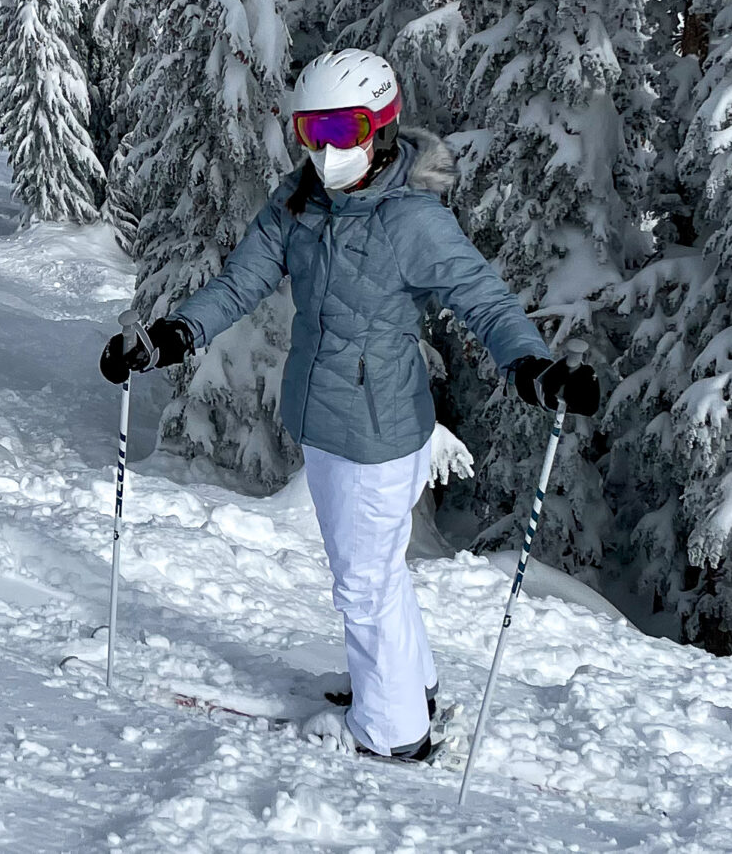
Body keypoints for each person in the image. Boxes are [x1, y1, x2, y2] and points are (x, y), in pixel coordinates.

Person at [98, 48, 599, 763]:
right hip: (327, 418)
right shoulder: (298, 203)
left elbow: (482, 298)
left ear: (381, 128)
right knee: (378, 568)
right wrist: (173, 335)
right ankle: (409, 686)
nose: (326, 149)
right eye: (313, 130)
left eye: (344, 129)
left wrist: (530, 366)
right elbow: (240, 283)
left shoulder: (412, 220)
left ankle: (391, 731)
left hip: (378, 430)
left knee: (362, 583)